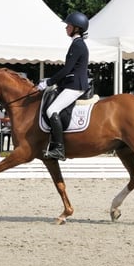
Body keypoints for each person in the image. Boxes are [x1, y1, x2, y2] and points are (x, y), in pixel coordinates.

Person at [36, 11, 90, 161]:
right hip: (71, 83)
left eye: (69, 26)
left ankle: (59, 148)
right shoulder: (76, 44)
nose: (66, 28)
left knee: (52, 110)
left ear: (76, 28)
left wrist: (48, 82)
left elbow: (67, 69)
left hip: (75, 86)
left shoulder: (78, 45)